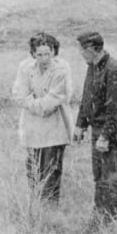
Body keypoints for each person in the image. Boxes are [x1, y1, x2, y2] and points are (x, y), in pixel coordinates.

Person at [74, 31, 117, 229]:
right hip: (96, 131)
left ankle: (110, 222)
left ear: (90, 49)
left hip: (108, 134)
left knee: (109, 178)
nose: (80, 53)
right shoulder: (92, 67)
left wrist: (106, 135)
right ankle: (98, 219)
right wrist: (80, 124)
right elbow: (87, 97)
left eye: (81, 49)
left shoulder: (113, 69)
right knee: (99, 177)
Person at [11, 32, 73, 204]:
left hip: (55, 126)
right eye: (40, 54)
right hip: (32, 127)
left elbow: (55, 99)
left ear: (54, 52)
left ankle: (50, 209)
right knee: (33, 170)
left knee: (51, 170)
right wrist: (37, 104)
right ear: (33, 54)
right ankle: (36, 205)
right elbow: (19, 94)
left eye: (48, 53)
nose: (44, 58)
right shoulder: (25, 67)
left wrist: (34, 103)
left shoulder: (62, 68)